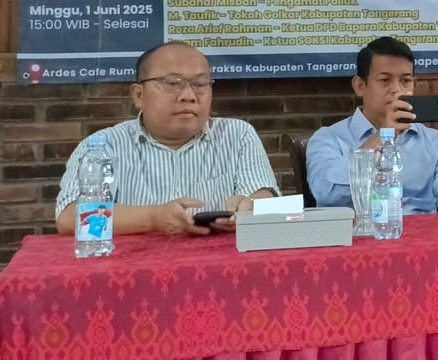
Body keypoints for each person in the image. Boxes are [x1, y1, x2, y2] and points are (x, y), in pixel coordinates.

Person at [54, 41, 277, 236]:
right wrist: (154, 218)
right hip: (133, 267)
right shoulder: (103, 147)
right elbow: (70, 218)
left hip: (223, 266)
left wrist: (252, 205)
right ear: (139, 95)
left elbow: (264, 195)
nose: (189, 96)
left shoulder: (237, 135)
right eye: (173, 83)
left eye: (200, 84)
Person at [307, 36, 438, 213]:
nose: (397, 89)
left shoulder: (432, 139)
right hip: (360, 228)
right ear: (360, 86)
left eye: (405, 81)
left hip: (421, 228)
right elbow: (325, 192)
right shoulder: (328, 138)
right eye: (385, 80)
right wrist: (384, 135)